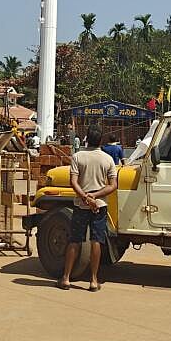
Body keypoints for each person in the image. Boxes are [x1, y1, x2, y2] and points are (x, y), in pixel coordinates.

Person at [59, 125, 118, 292]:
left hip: (80, 206)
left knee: (75, 240)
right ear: (101, 140)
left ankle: (66, 278)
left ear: (86, 139)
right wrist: (95, 196)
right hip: (99, 206)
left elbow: (73, 182)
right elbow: (113, 185)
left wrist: (85, 197)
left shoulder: (78, 157)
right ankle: (93, 280)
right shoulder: (107, 159)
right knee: (96, 241)